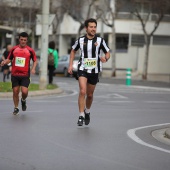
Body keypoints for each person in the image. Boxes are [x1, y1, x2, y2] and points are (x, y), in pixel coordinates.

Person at [68, 18, 110, 126]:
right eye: (91, 27)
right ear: (86, 28)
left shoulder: (100, 41)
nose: (93, 29)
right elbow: (73, 50)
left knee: (90, 95)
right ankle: (81, 115)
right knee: (82, 91)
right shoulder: (81, 40)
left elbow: (107, 52)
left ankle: (87, 111)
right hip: (82, 68)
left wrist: (106, 58)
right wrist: (70, 65)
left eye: (95, 27)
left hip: (94, 70)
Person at [0, 32, 37, 115]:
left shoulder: (30, 50)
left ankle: (23, 100)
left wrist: (33, 68)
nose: (23, 41)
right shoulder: (14, 49)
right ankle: (16, 108)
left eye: (24, 40)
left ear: (27, 41)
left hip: (25, 75)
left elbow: (35, 60)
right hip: (15, 74)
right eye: (21, 39)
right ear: (19, 39)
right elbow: (9, 59)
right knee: (15, 91)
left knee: (24, 91)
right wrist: (4, 62)